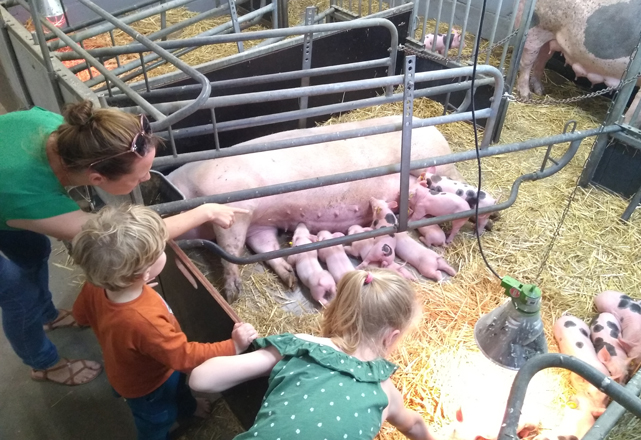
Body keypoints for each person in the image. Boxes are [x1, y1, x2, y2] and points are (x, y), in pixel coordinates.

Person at [0, 101, 248, 386]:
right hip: (9, 192)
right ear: (96, 179)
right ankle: (43, 364)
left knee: (35, 250)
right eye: (139, 177)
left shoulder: (70, 132)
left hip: (6, 193)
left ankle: (47, 314)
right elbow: (127, 238)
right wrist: (204, 211)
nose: (146, 179)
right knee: (18, 296)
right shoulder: (30, 200)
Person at [70, 203, 259, 440]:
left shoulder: (97, 284)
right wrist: (234, 347)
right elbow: (185, 357)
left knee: (179, 389)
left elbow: (80, 315)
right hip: (149, 385)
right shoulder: (143, 320)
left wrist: (131, 293)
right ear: (143, 273)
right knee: (157, 420)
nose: (165, 250)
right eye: (161, 250)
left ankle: (188, 408)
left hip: (135, 367)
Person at [189, 269, 439, 440]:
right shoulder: (383, 392)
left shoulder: (298, 346)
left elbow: (200, 380)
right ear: (392, 337)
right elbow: (414, 425)